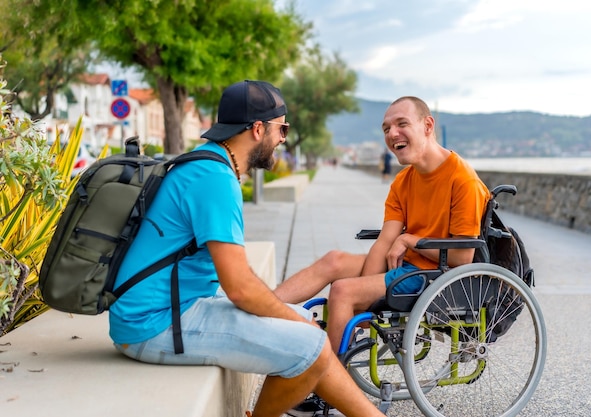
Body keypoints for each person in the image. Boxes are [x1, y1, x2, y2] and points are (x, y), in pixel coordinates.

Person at [108, 80, 385, 417]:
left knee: (302, 321)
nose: (283, 139)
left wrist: (294, 319)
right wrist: (299, 326)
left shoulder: (205, 164)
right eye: (281, 129)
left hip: (170, 309)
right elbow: (239, 289)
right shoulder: (214, 179)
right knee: (310, 342)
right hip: (154, 324)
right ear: (258, 129)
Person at [274, 95, 490, 353]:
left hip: (434, 275)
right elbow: (386, 240)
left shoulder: (463, 180)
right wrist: (367, 289)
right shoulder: (403, 181)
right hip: (404, 264)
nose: (392, 134)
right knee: (334, 261)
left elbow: (462, 258)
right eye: (386, 129)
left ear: (428, 126)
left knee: (342, 290)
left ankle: (329, 380)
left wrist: (410, 241)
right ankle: (259, 305)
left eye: (402, 124)